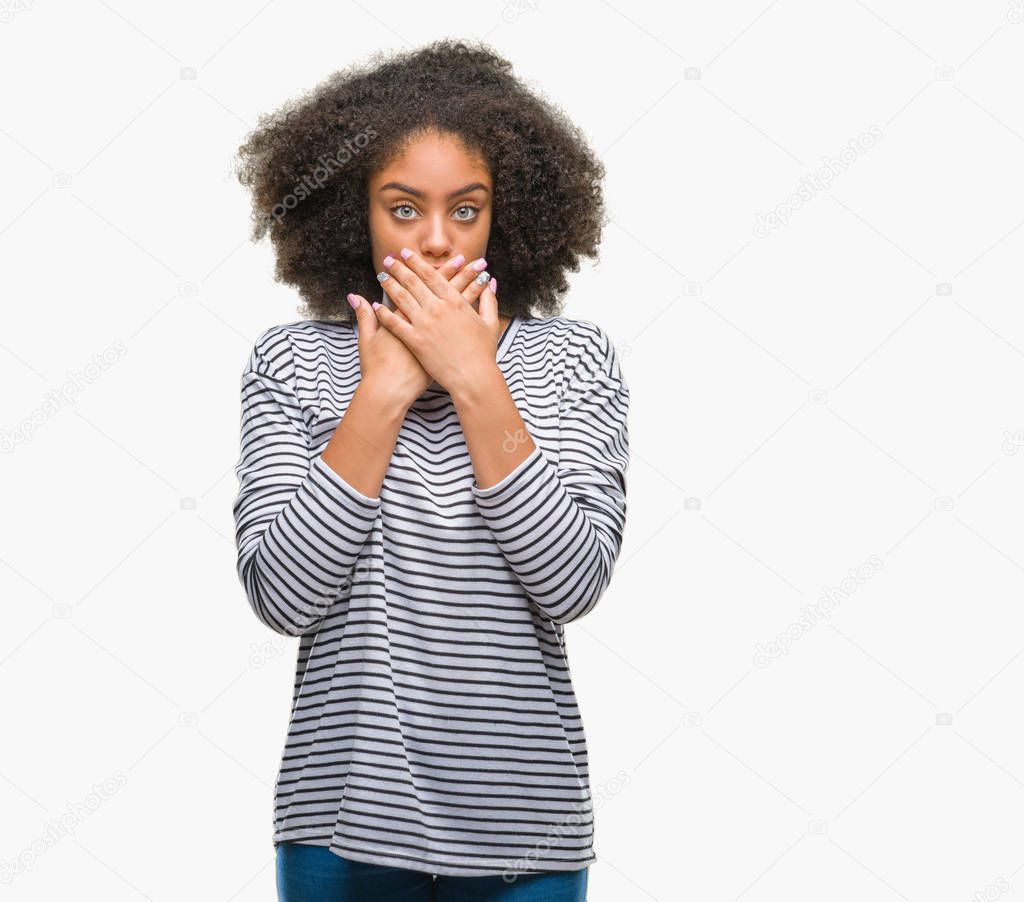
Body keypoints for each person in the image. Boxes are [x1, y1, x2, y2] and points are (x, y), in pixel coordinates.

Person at [231, 37, 629, 902]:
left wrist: (476, 378)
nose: (438, 242)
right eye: (403, 209)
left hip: (528, 827)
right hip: (341, 823)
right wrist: (379, 397)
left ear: (506, 217)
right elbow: (281, 597)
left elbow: (573, 583)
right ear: (354, 215)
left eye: (467, 209)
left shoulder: (573, 362)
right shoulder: (292, 363)